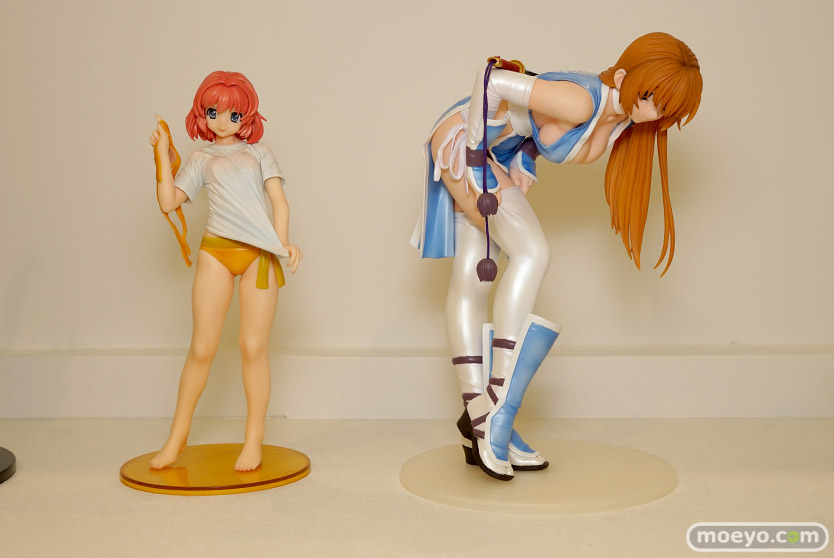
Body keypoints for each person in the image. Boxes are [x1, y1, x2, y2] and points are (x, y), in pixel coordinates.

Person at [411, 32, 703, 480]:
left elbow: (536, 128)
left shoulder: (621, 121)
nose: (656, 113)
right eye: (652, 98)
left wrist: (523, 157)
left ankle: (479, 416)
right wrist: (474, 157)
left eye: (668, 109)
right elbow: (492, 81)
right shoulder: (583, 101)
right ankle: (496, 406)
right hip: (465, 140)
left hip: (497, 151)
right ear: (622, 77)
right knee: (531, 252)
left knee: (473, 280)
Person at [148, 71, 302, 471]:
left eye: (233, 115)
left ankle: (254, 439)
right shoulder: (201, 159)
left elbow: (279, 202)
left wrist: (284, 242)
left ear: (245, 117)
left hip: (260, 254)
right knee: (202, 348)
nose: (221, 122)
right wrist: (162, 153)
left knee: (253, 347)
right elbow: (168, 202)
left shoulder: (260, 152)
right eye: (213, 112)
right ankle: (176, 438)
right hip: (216, 252)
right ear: (203, 113)